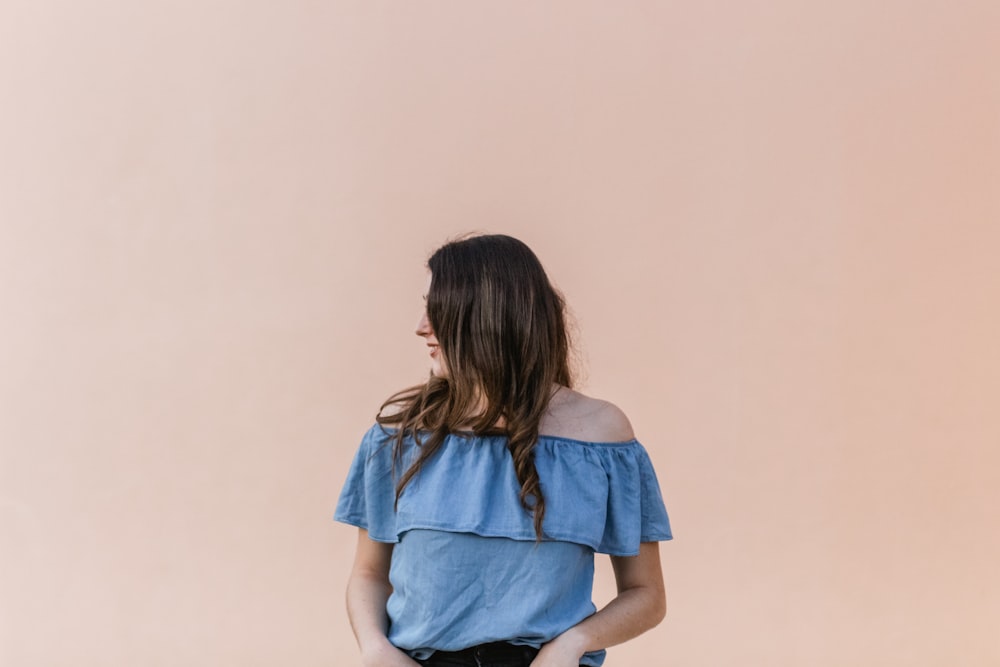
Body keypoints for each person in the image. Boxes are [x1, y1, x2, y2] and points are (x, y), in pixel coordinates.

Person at [334, 234, 672, 667]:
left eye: (437, 309)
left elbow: (647, 594)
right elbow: (368, 573)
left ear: (487, 317)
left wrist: (572, 643)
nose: (421, 326)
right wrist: (375, 649)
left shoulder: (601, 438)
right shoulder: (398, 436)